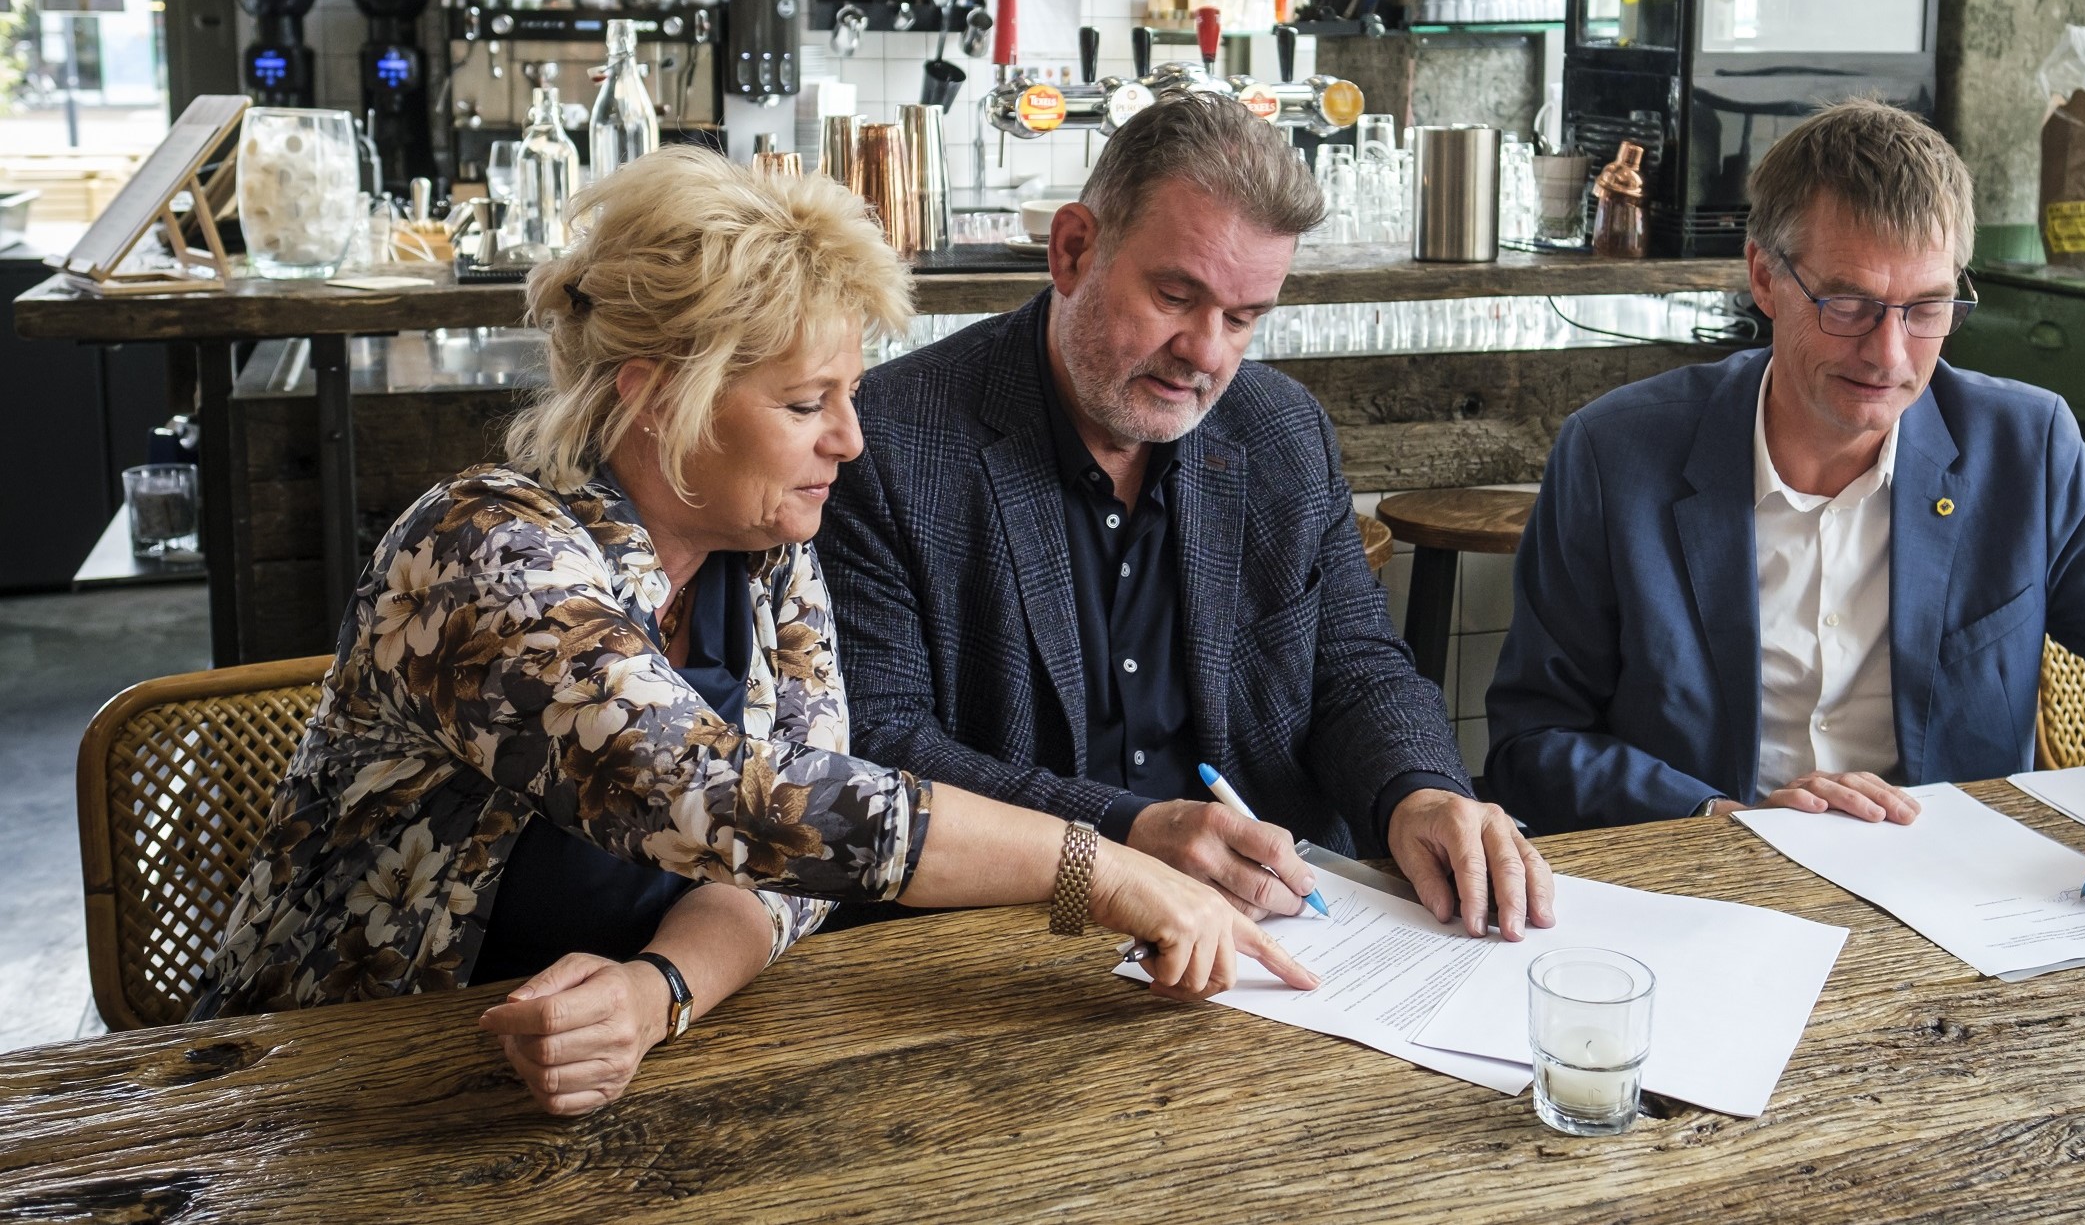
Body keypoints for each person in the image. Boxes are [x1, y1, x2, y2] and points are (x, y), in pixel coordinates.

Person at [192, 148, 1314, 1116]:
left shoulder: (769, 557)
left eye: (851, 395)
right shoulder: (483, 552)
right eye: (802, 403)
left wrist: (659, 990)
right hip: (321, 1086)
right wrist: (1100, 867)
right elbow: (733, 801)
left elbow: (796, 864)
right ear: (654, 396)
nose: (850, 442)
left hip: (597, 1089)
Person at [1483, 98, 2085, 901]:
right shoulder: (1615, 454)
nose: (1889, 354)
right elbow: (1533, 743)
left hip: (1958, 907)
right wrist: (1727, 821)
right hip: (1709, 891)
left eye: (1925, 308)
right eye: (1848, 303)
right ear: (1765, 278)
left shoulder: (2023, 451)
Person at [818, 95, 1554, 941]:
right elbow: (882, 748)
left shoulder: (1281, 431)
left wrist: (1419, 792)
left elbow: (1356, 671)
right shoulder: (892, 442)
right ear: (1072, 251)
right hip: (1002, 941)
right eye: (1176, 296)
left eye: (1243, 318)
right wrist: (1125, 833)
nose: (1208, 352)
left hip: (1280, 936)